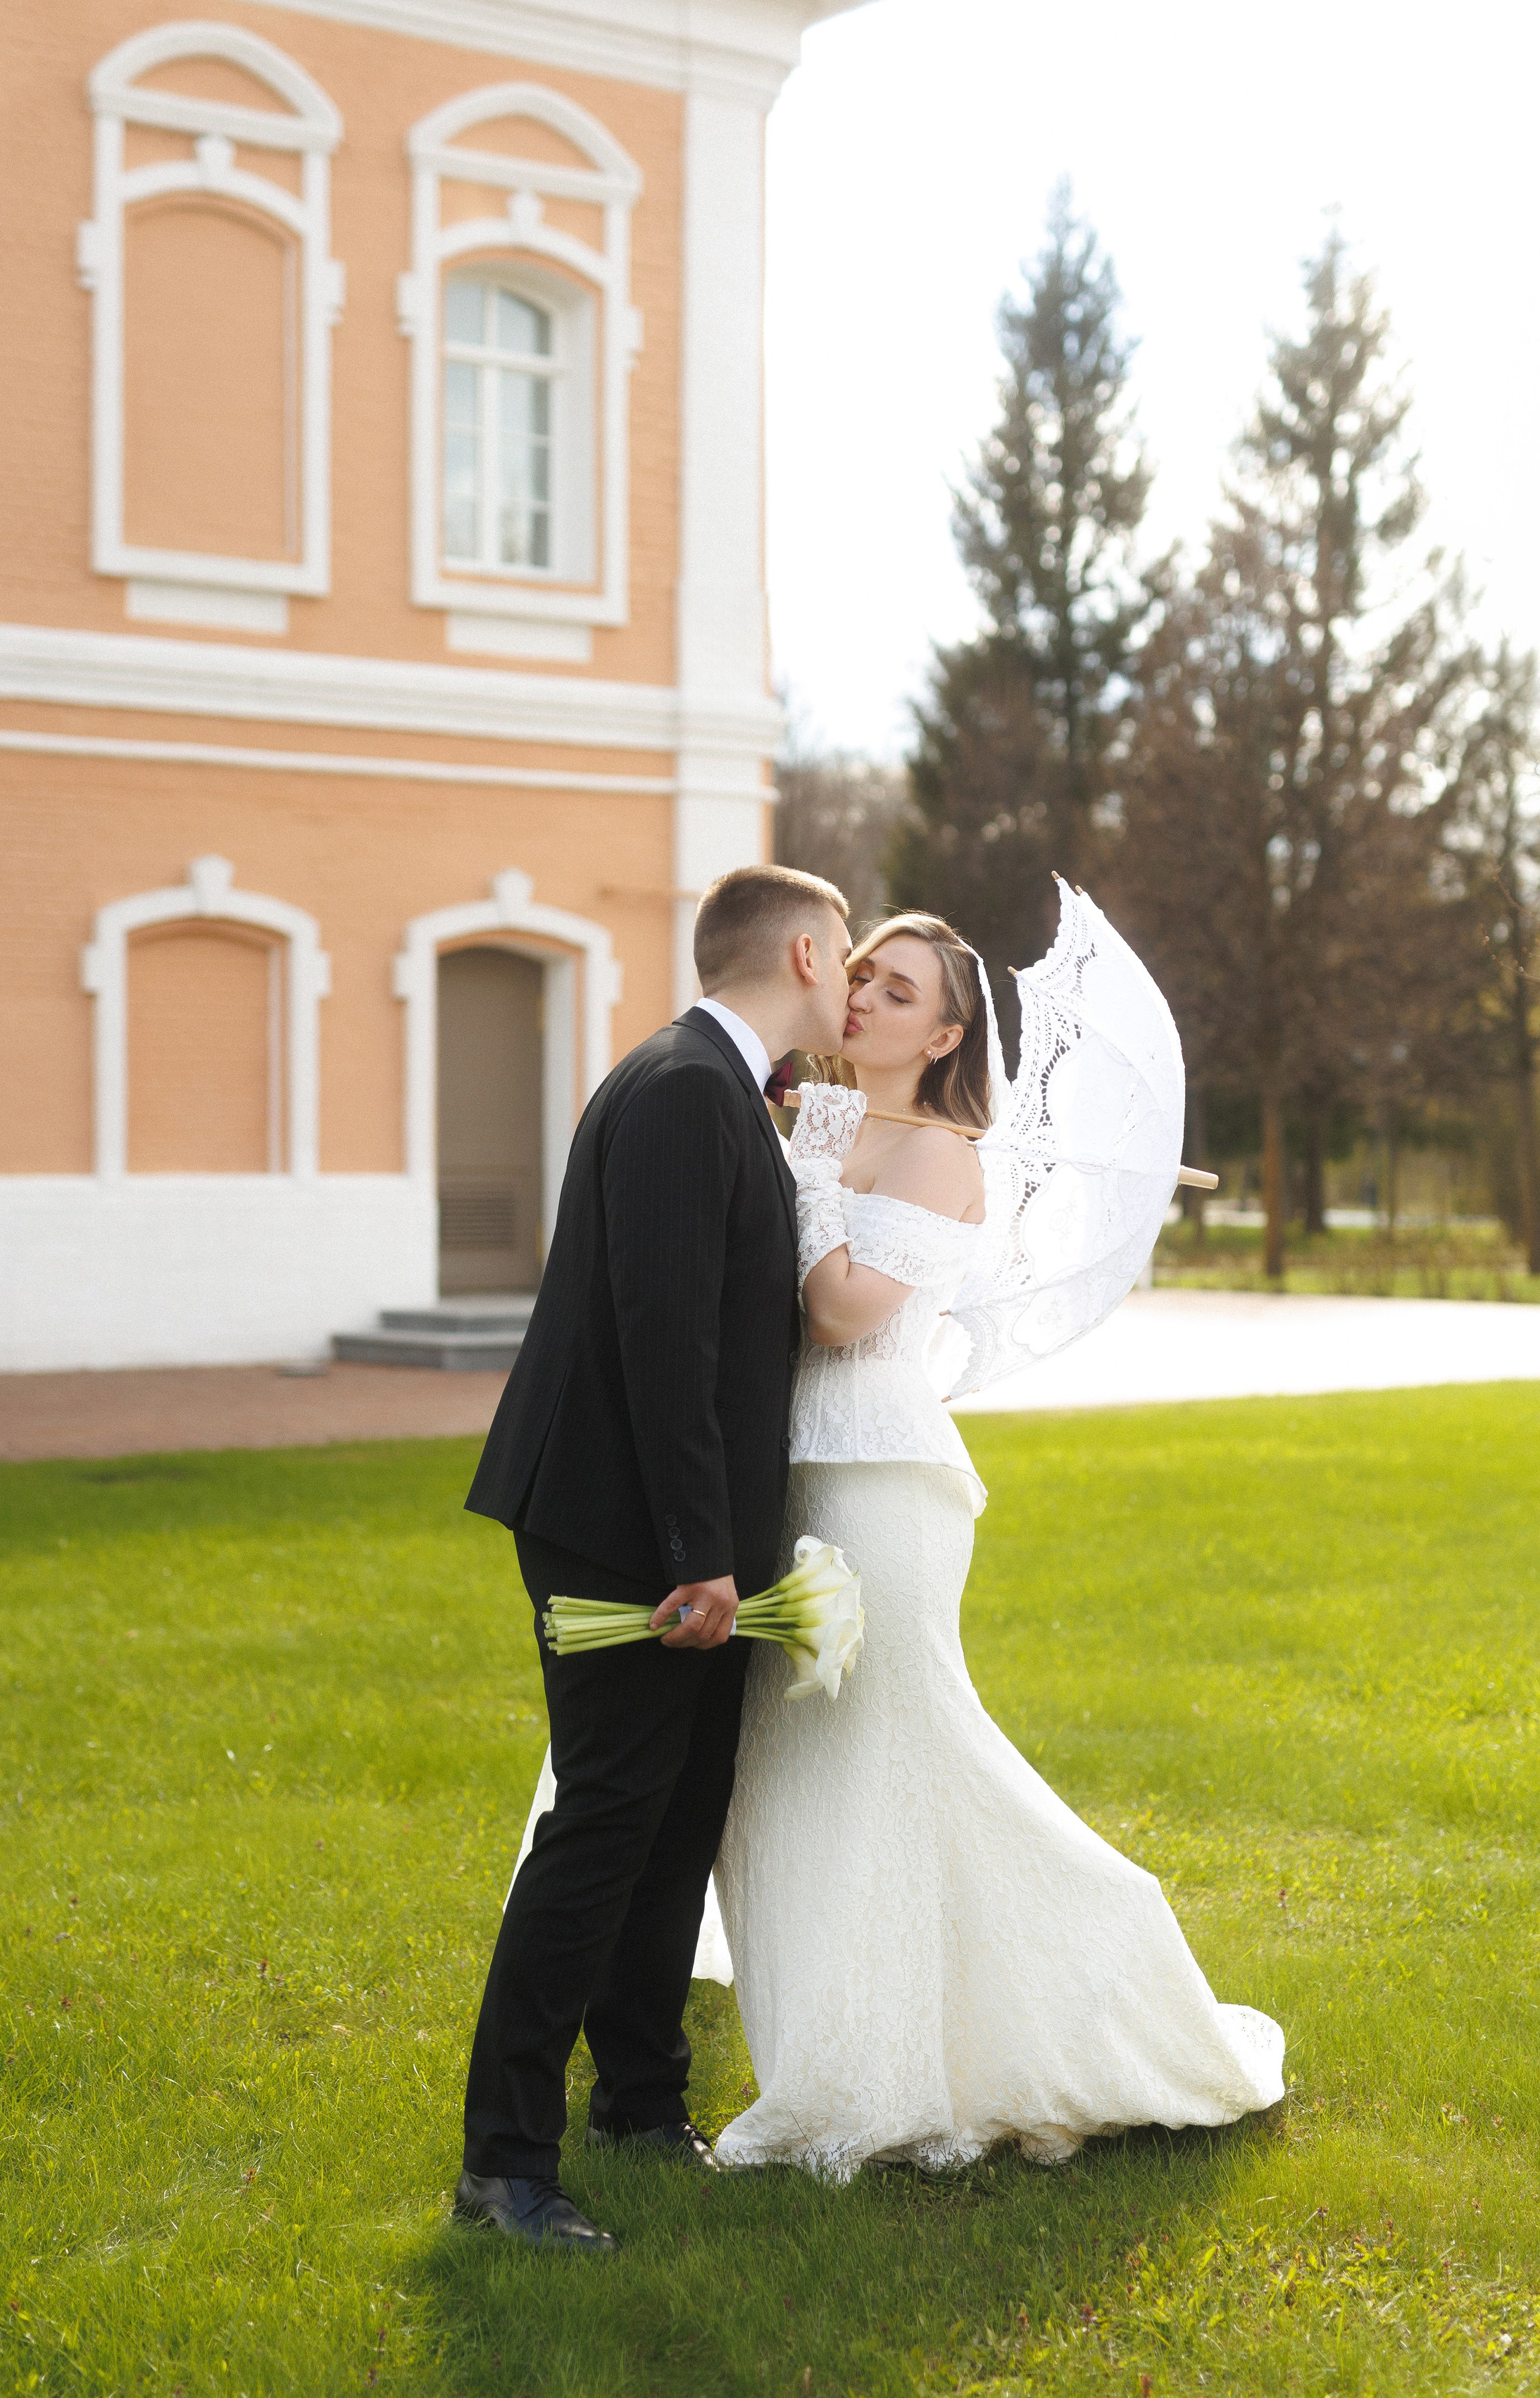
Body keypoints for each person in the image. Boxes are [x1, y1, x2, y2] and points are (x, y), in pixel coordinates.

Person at [710, 911, 1286, 2176]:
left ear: (945, 1036)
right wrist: (803, 1146)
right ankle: (839, 2056)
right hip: (785, 1474)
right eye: (863, 974)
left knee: (902, 1752)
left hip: (878, 1485)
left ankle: (1110, 1954)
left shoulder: (938, 1156)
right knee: (793, 1776)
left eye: (899, 990)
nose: (864, 995)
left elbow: (843, 1312)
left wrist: (811, 1170)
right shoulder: (824, 1119)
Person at [457, 862, 854, 2252]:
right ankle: (504, 2163)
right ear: (801, 954)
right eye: (844, 954)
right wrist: (697, 1553)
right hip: (621, 1524)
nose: (850, 980)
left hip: (678, 1527)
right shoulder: (685, 1088)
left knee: (678, 1817)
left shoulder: (722, 1089)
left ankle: (638, 2101)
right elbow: (661, 1334)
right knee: (606, 1824)